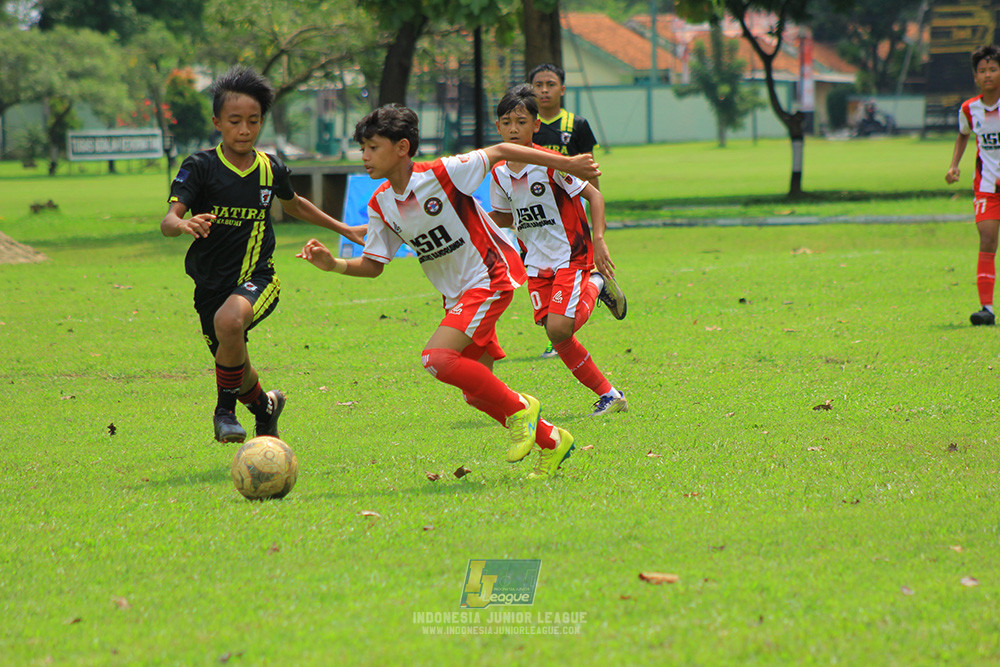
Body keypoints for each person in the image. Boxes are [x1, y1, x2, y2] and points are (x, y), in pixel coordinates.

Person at [297, 104, 600, 478]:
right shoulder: (381, 204)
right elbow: (374, 265)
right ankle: (553, 441)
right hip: (458, 295)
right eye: (362, 148)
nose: (364, 156)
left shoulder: (443, 173)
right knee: (476, 391)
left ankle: (522, 408)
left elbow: (502, 151)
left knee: (436, 358)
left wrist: (568, 165)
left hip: (489, 278)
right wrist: (335, 265)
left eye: (373, 147)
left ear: (402, 147)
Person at [161, 65, 366, 443]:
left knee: (229, 324)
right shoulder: (200, 167)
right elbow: (168, 219)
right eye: (235, 121)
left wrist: (344, 228)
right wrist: (183, 224)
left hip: (258, 278)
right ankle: (264, 408)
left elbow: (295, 204)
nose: (244, 130)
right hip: (209, 285)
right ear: (217, 122)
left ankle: (223, 415)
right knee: (237, 368)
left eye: (253, 121)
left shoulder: (270, 169)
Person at [488, 85, 628, 417]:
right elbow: (505, 216)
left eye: (521, 121)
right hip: (535, 263)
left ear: (536, 126)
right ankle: (610, 395)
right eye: (506, 122)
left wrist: (599, 240)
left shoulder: (551, 164)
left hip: (570, 255)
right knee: (555, 332)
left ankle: (594, 282)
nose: (513, 129)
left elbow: (594, 195)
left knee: (559, 329)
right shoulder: (498, 173)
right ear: (498, 128)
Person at [528, 62, 601, 357]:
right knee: (540, 274)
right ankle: (559, 324)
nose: (544, 90)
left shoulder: (577, 125)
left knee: (564, 270)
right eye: (538, 85)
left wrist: (597, 211)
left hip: (569, 215)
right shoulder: (526, 126)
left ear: (562, 89)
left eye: (550, 84)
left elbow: (590, 170)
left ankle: (556, 337)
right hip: (537, 218)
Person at [946, 45, 1000, 326]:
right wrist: (954, 165)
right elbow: (962, 135)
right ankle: (986, 309)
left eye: (993, 69)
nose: (988, 74)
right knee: (987, 240)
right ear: (976, 77)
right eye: (982, 70)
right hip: (987, 187)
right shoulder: (970, 109)